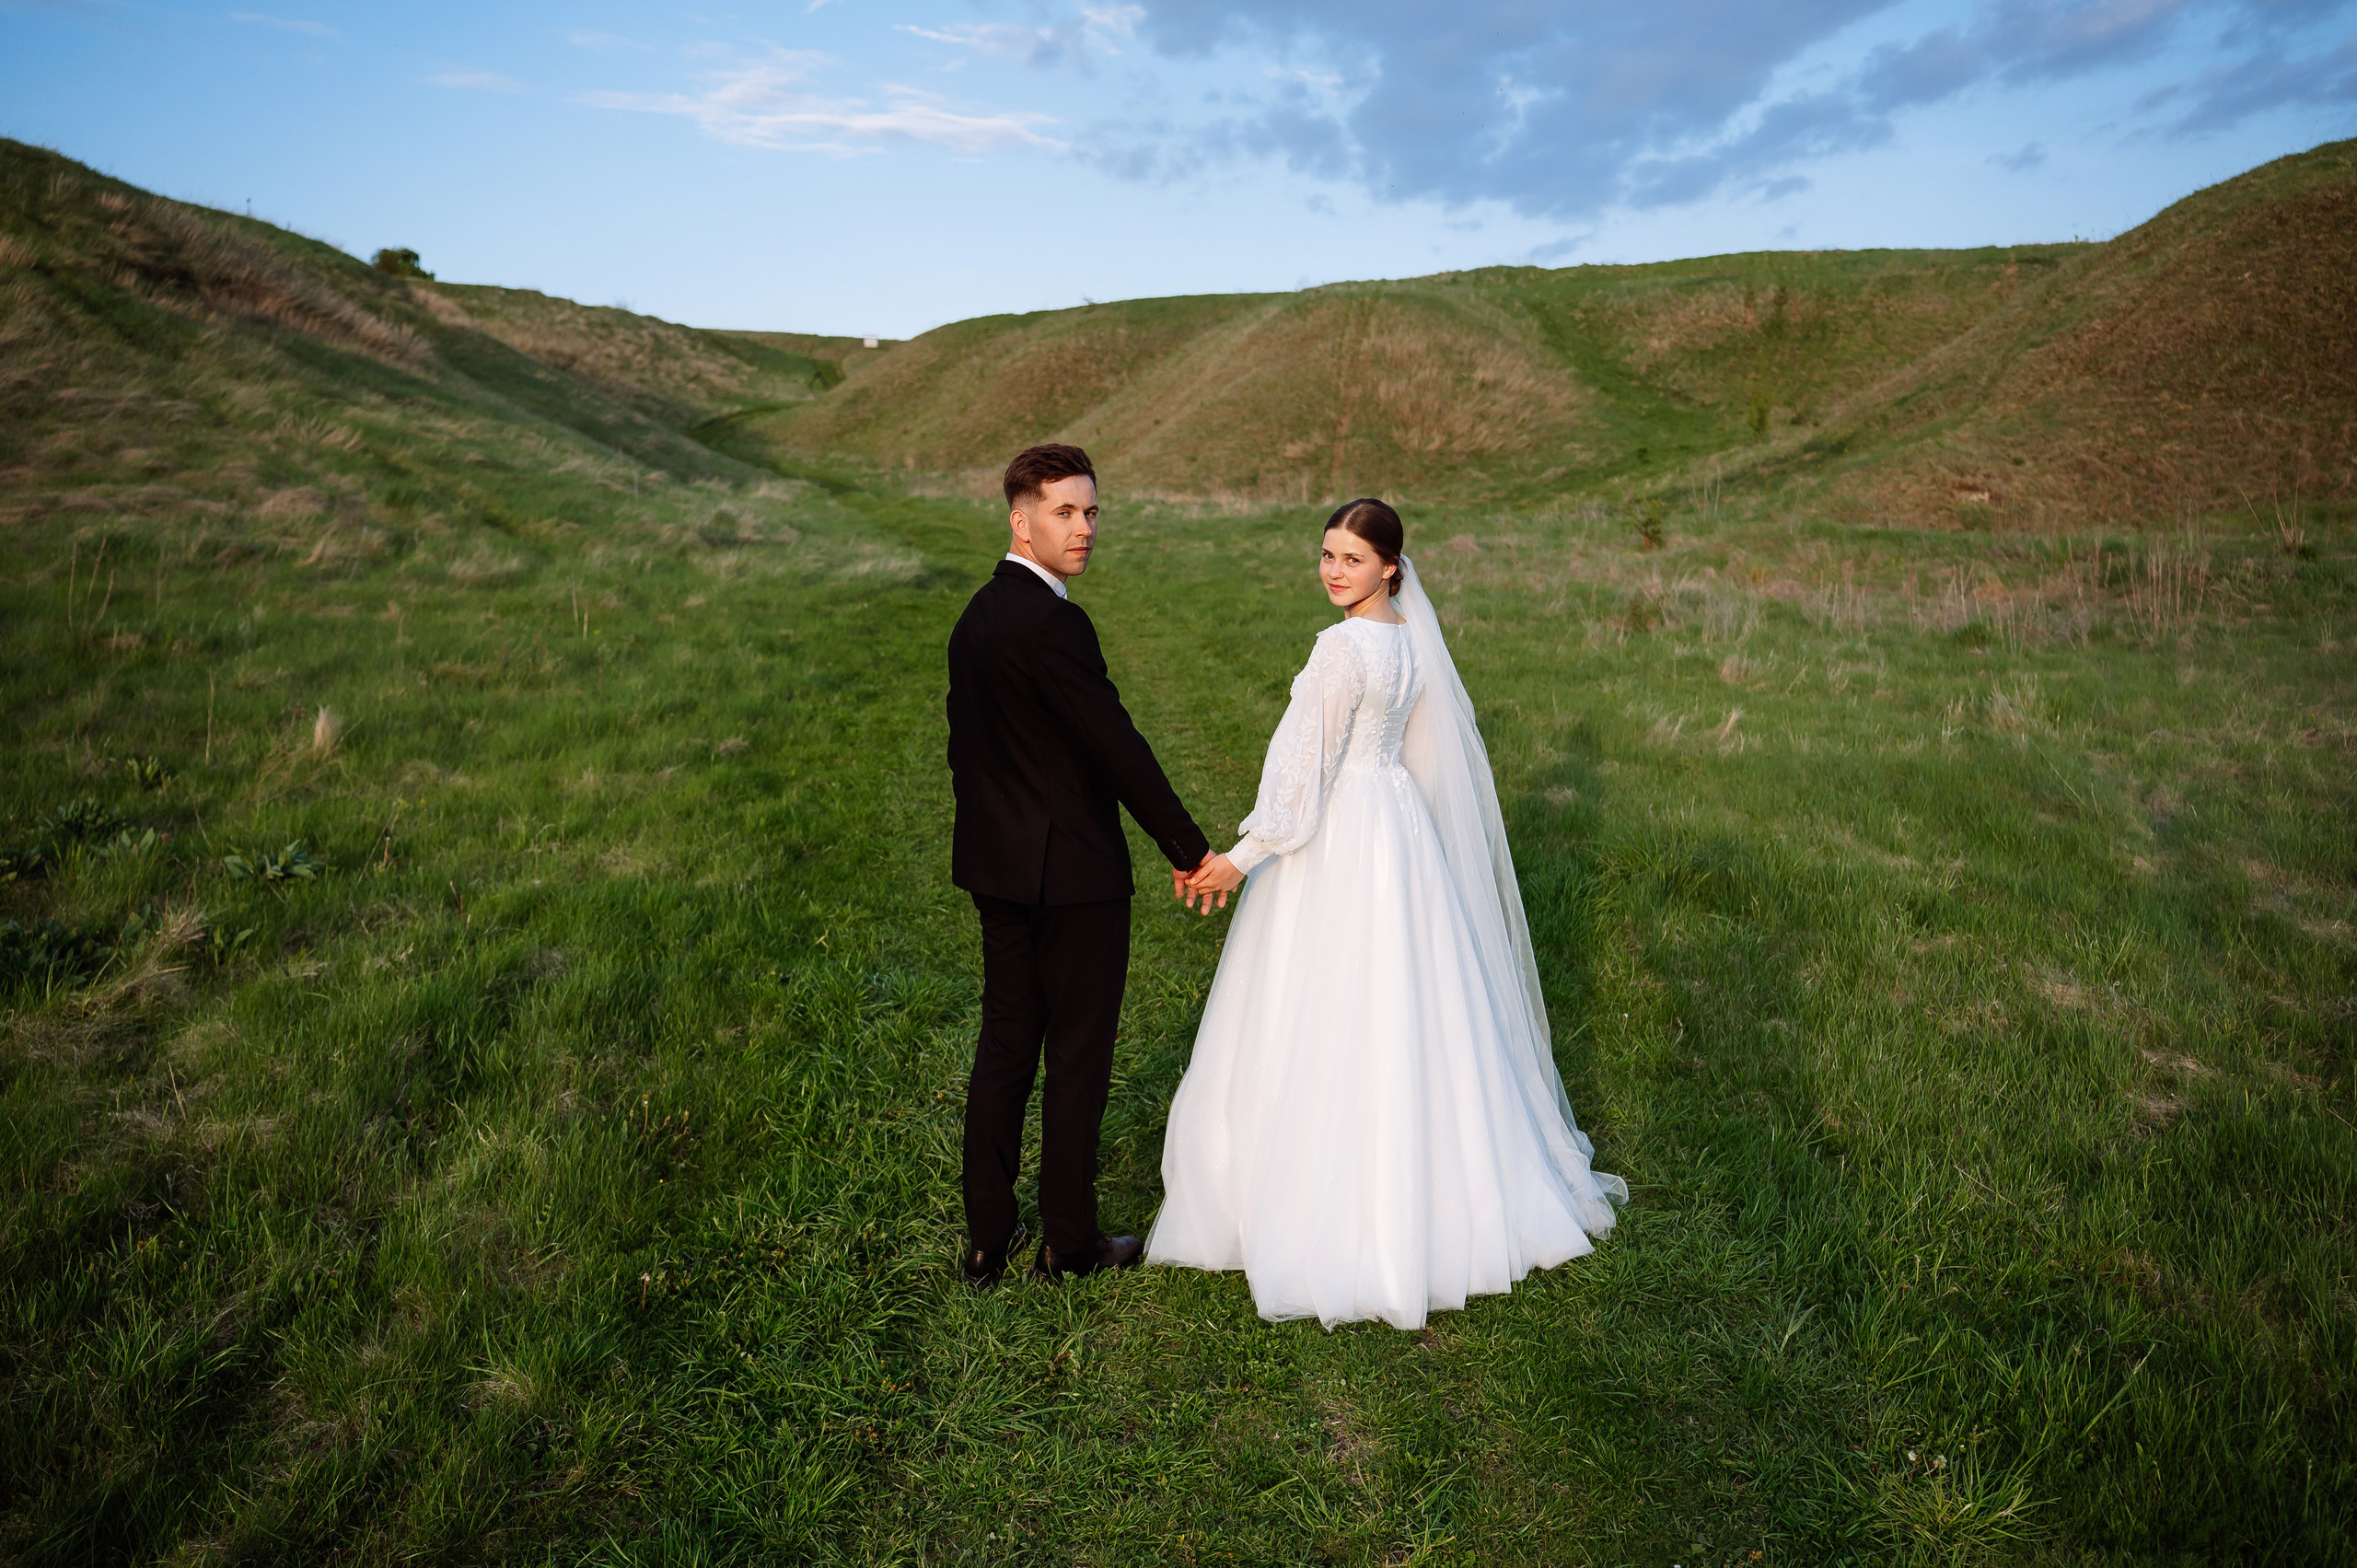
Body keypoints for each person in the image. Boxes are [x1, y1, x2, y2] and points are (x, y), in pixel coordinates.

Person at [1151, 498, 1628, 1330]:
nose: (1335, 571)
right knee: (1415, 1005)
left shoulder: (1339, 651)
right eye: (1327, 554)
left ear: (1390, 569)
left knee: (1319, 1008)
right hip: (1399, 834)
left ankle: (1319, 1205)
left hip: (1342, 837)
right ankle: (1448, 1196)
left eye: (1353, 559)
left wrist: (1242, 856)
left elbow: (1302, 782)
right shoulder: (1410, 642)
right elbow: (1423, 755)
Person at [946, 443, 1217, 1287]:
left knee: (1004, 1049)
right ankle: (1067, 1244)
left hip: (998, 870)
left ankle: (988, 1240)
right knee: (1075, 1060)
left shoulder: (976, 616)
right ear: (1020, 519)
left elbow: (968, 752)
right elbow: (1118, 750)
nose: (1084, 528)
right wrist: (1191, 849)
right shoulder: (1055, 622)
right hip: (1074, 878)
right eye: (1065, 512)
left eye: (1092, 511)